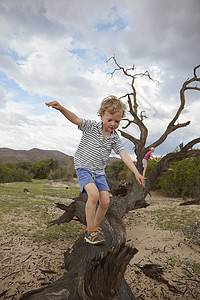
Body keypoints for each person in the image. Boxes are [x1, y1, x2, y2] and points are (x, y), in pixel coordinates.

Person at [45, 96, 145, 245]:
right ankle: (91, 231)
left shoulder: (115, 138)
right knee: (93, 194)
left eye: (117, 121)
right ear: (101, 116)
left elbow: (123, 154)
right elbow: (75, 119)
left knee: (105, 202)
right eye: (109, 119)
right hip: (84, 167)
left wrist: (136, 172)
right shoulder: (91, 126)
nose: (113, 124)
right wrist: (61, 108)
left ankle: (94, 228)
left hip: (99, 172)